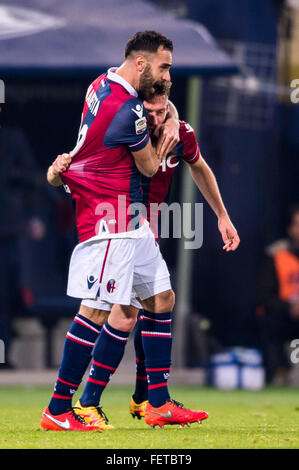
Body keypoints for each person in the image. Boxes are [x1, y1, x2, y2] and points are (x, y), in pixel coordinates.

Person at [42, 79, 240, 431]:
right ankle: (82, 403)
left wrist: (222, 215)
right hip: (115, 224)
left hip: (145, 230)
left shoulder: (177, 132)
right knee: (114, 311)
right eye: (149, 112)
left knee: (159, 299)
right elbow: (68, 167)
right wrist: (56, 172)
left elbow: (199, 166)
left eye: (162, 111)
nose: (155, 117)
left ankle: (150, 401)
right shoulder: (121, 129)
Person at [0, 104, 37, 369]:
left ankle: (2, 355)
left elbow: (31, 178)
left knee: (4, 294)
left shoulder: (13, 139)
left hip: (6, 230)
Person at [257, 204, 299, 385]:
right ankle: (278, 372)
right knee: (269, 321)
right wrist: (291, 307)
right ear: (291, 229)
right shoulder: (278, 255)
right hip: (284, 316)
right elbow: (264, 296)